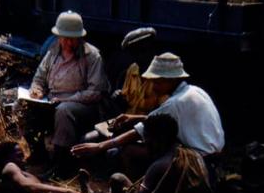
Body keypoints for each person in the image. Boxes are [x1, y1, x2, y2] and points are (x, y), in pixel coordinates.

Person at [72, 52, 224, 183]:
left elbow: (139, 132)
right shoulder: (195, 91)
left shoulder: (174, 103)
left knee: (129, 151)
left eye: (157, 82)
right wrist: (136, 117)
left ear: (170, 80)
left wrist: (100, 147)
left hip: (197, 160)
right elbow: (167, 118)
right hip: (214, 154)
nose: (153, 86)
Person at [28, 10, 110, 177]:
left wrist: (68, 99)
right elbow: (39, 77)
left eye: (70, 38)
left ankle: (62, 164)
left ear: (79, 38)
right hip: (53, 100)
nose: (66, 42)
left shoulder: (92, 56)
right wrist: (36, 89)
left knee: (64, 110)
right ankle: (39, 154)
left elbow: (96, 92)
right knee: (24, 106)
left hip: (83, 106)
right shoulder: (53, 51)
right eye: (63, 37)